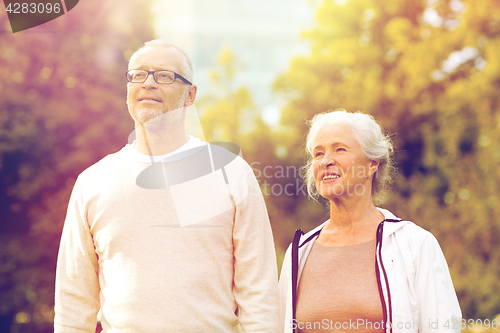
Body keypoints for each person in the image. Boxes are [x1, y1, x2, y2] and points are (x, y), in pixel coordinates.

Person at [54, 40, 279, 332]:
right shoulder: (93, 181)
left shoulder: (231, 172)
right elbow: (74, 300)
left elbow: (259, 291)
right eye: (138, 74)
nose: (148, 83)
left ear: (190, 95)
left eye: (164, 76)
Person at [278, 110, 461, 333]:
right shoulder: (298, 253)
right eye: (318, 153)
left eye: (340, 149)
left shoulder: (415, 245)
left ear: (371, 164)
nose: (325, 161)